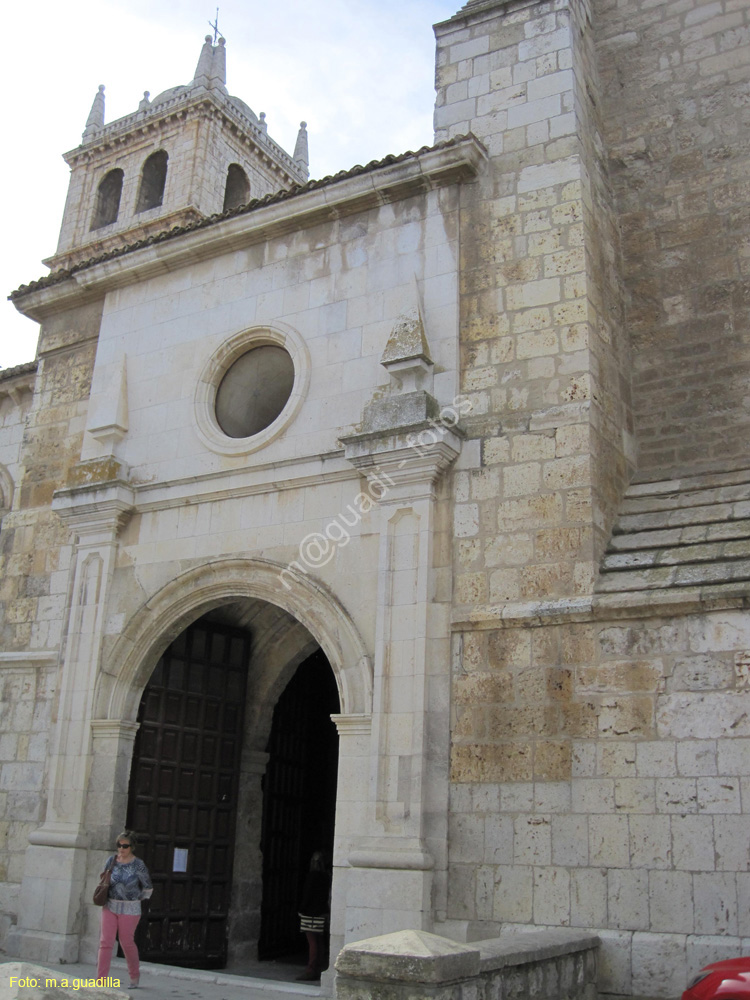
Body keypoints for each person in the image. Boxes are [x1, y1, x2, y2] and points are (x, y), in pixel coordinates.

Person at [96, 830, 153, 989]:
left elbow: (147, 887)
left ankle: (134, 976)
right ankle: (100, 980)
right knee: (105, 942)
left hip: (130, 909)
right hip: (110, 905)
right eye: (119, 845)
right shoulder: (111, 861)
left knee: (126, 942)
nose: (121, 849)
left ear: (132, 847)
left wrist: (136, 898)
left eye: (125, 846)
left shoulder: (138, 865)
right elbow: (104, 879)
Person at [296, 850, 331, 981]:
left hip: (310, 912)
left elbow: (307, 895)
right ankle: (319, 967)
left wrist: (301, 909)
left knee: (312, 942)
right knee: (319, 941)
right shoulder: (326, 876)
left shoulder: (312, 876)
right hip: (321, 911)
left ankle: (311, 970)